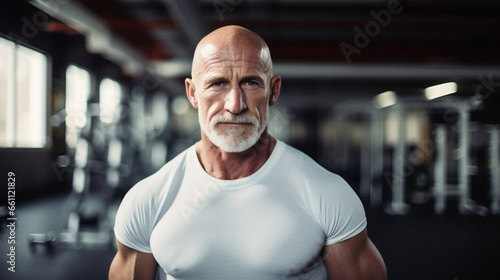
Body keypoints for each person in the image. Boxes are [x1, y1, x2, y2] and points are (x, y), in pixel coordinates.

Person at [109, 25, 387, 280]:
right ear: (192, 93)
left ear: (273, 91)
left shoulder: (327, 193)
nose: (235, 104)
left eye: (251, 83)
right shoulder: (148, 199)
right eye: (218, 83)